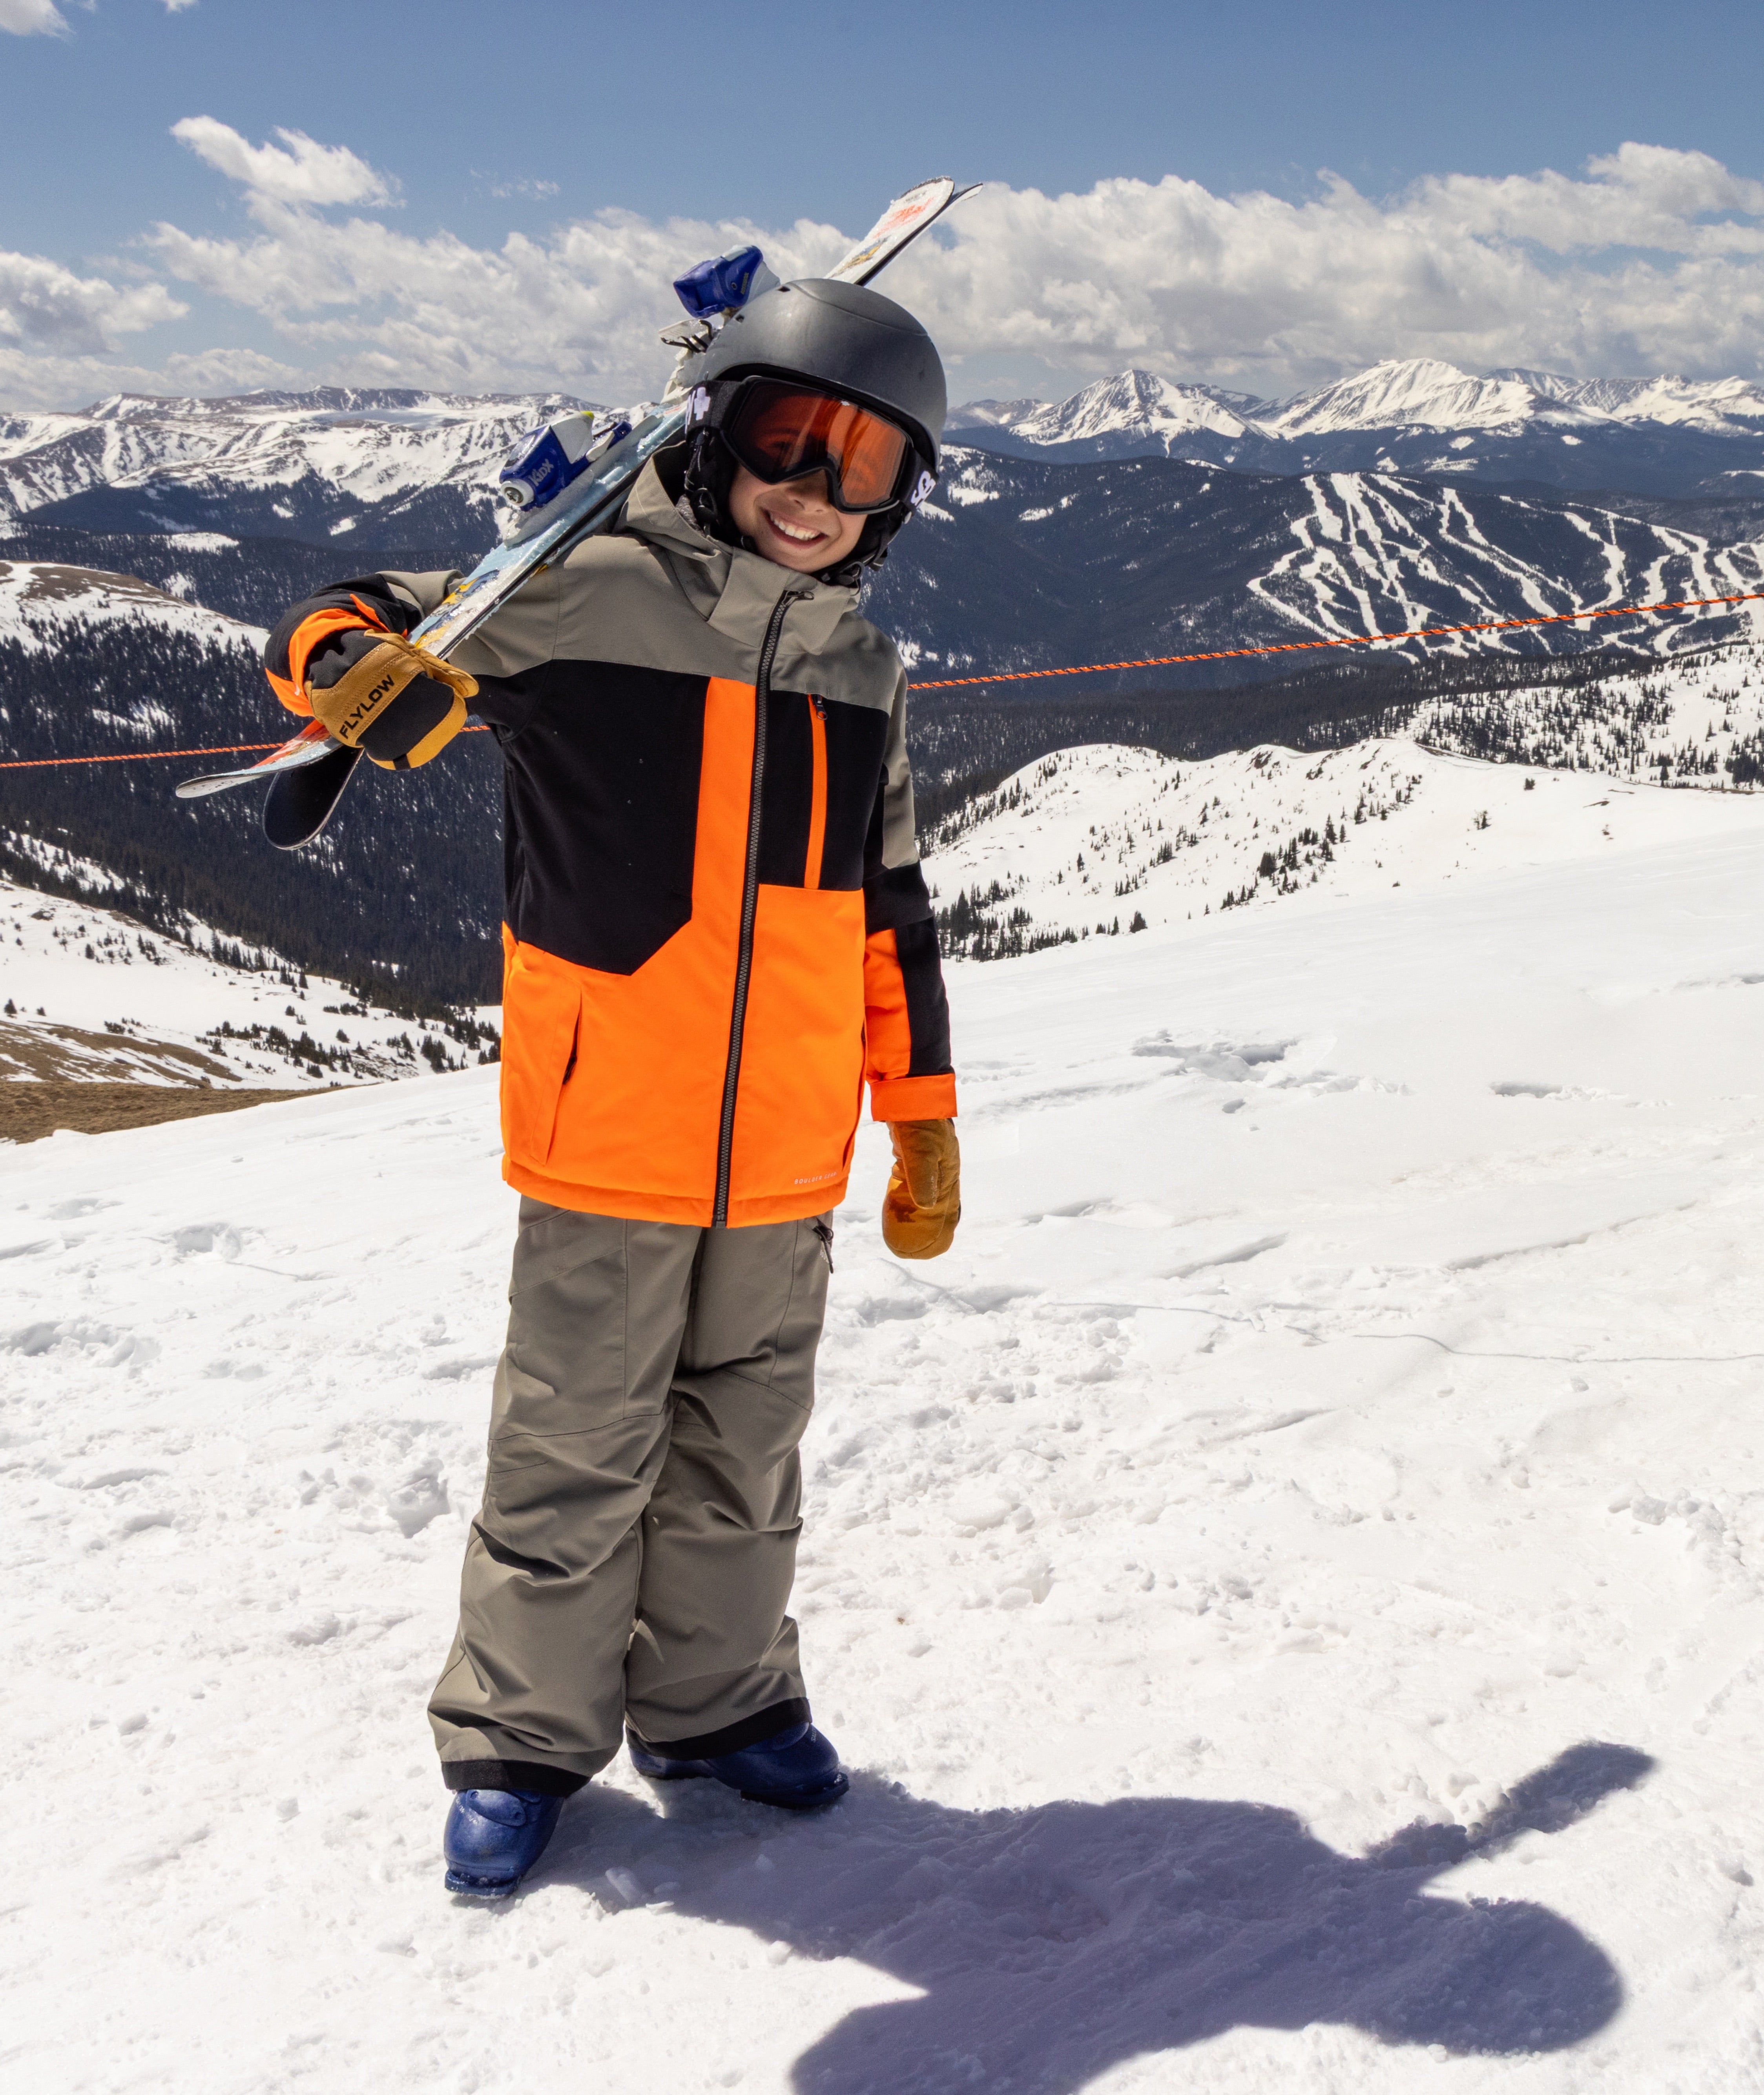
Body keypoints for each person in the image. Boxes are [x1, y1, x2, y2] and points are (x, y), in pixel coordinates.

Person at [260, 279, 961, 1897]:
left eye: (866, 469)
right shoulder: (582, 601)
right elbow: (339, 620)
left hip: (787, 1153)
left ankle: (716, 1705)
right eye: (791, 443)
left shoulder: (862, 672)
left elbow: (890, 915)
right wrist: (360, 675)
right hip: (609, 1133)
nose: (817, 494)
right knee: (574, 1443)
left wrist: (915, 1111)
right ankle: (519, 1735)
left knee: (742, 1447)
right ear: (718, 435)